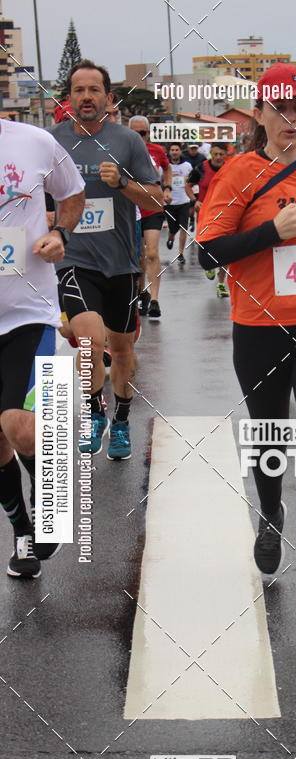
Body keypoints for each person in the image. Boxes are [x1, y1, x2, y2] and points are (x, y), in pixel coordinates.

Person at [196, 63, 296, 603]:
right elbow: (206, 253)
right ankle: (270, 512)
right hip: (258, 326)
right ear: (262, 115)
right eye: (279, 108)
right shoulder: (239, 173)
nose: (290, 118)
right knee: (269, 434)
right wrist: (270, 231)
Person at [53, 61, 162, 460]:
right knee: (88, 339)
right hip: (75, 260)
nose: (86, 97)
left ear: (108, 98)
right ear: (69, 98)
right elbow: (39, 199)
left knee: (121, 350)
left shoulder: (127, 142)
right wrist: (52, 220)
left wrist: (124, 183)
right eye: (78, 90)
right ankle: (96, 408)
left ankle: (121, 420)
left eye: (93, 90)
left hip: (121, 263)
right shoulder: (53, 142)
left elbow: (156, 199)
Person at [0, 119, 84, 577]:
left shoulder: (33, 141)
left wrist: (61, 234)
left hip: (27, 313)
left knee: (21, 428)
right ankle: (22, 532)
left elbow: (72, 195)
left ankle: (54, 498)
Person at [129, 115, 172, 316]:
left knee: (152, 252)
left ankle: (154, 299)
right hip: (131, 208)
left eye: (143, 133)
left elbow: (167, 168)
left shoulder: (157, 150)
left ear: (148, 133)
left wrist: (168, 188)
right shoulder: (123, 150)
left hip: (153, 207)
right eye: (135, 133)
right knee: (139, 255)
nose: (139, 137)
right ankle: (141, 292)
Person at [189, 142, 229, 297]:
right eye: (215, 154)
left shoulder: (230, 168)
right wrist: (195, 200)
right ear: (211, 153)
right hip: (205, 214)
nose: (218, 157)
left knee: (226, 250)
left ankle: (221, 284)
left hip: (225, 213)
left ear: (225, 154)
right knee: (206, 245)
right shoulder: (201, 168)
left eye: (221, 154)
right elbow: (188, 184)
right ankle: (208, 265)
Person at [164, 143, 194, 262]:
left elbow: (192, 182)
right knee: (173, 228)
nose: (175, 152)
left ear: (180, 152)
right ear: (169, 152)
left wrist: (193, 198)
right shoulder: (165, 166)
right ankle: (170, 238)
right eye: (172, 150)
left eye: (177, 150)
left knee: (183, 227)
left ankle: (180, 253)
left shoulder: (187, 166)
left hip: (184, 201)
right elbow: (160, 180)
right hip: (169, 202)